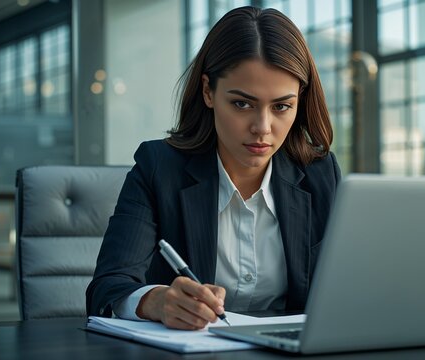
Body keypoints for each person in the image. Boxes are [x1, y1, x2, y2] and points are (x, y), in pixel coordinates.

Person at [86, 6, 340, 330]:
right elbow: (107, 289)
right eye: (242, 104)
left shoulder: (320, 175)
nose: (262, 127)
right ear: (208, 91)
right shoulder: (158, 168)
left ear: (299, 101)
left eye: (281, 106)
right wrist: (158, 302)